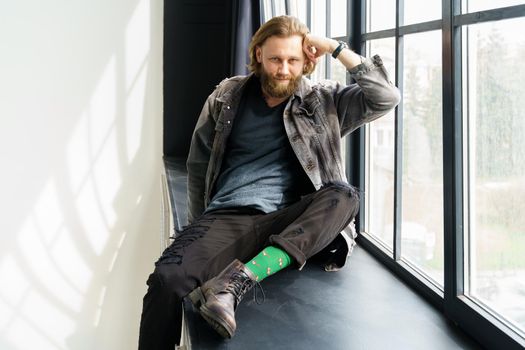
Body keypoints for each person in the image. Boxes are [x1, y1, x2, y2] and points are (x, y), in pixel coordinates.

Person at [138, 15, 400, 349]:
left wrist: (335, 48)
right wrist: (198, 229)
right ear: (258, 53)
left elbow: (385, 97)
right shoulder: (226, 96)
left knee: (344, 195)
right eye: (276, 59)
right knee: (166, 280)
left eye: (293, 60)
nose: (283, 69)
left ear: (307, 61)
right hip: (230, 216)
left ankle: (237, 281)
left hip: (296, 217)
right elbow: (199, 164)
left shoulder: (323, 101)